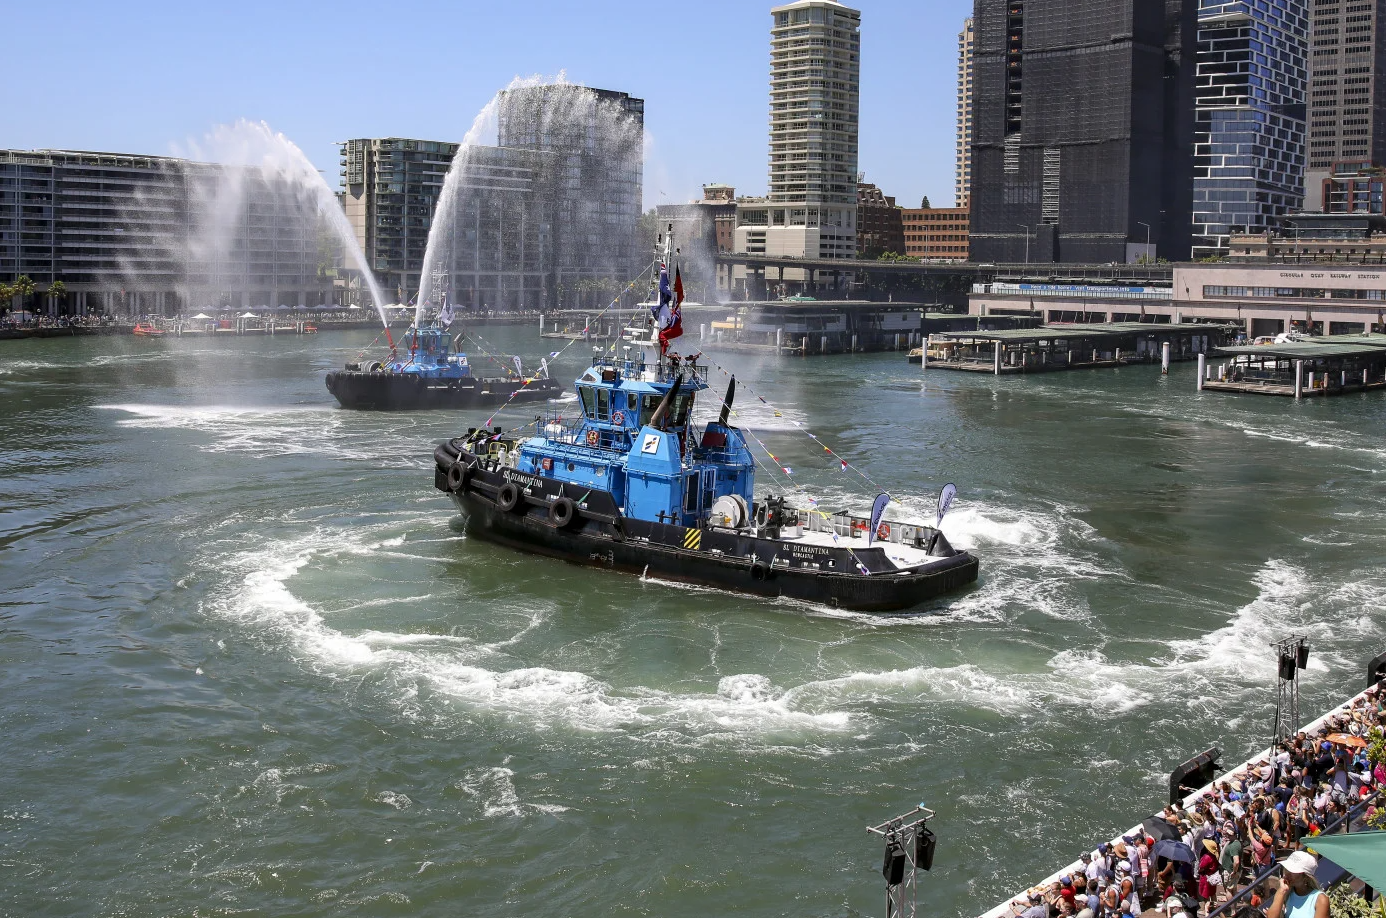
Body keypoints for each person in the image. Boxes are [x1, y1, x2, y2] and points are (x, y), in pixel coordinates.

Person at [1264, 851, 1328, 918]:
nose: (1287, 873)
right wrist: (1282, 891)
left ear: (1305, 877)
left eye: (1292, 871)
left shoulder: (1320, 900)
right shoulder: (1283, 891)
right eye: (1287, 869)